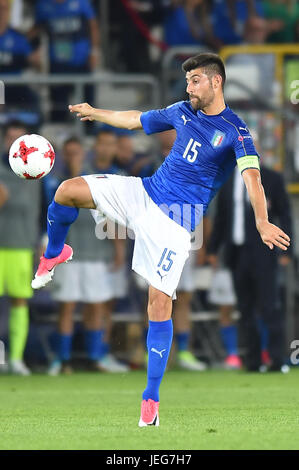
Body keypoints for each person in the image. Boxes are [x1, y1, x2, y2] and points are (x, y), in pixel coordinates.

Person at [31, 53, 290, 426]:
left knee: (158, 304)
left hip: (175, 224)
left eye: (196, 80)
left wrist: (263, 222)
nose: (189, 88)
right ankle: (55, 253)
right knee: (68, 191)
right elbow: (136, 120)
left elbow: (253, 180)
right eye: (188, 81)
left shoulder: (237, 131)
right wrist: (96, 111)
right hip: (144, 192)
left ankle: (150, 398)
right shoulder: (181, 110)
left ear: (217, 82)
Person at [45, 136, 129, 374]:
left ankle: (96, 358)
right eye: (69, 153)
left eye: (77, 153)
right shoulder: (55, 182)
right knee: (67, 308)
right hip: (69, 253)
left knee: (96, 308)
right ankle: (62, 360)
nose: (74, 157)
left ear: (85, 153)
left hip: (97, 253)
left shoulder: (94, 179)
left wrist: (119, 249)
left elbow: (110, 216)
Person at [207, 164, 293, 372]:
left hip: (264, 252)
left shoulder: (271, 177)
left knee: (269, 306)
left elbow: (285, 215)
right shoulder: (226, 179)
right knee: (244, 308)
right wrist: (213, 249)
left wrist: (287, 250)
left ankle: (276, 358)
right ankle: (252, 359)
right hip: (237, 253)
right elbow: (222, 217)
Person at [0, 120, 41, 375]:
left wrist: (42, 244)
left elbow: (44, 212)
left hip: (23, 246)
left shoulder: (38, 174)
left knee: (20, 302)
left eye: (20, 140)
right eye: (11, 138)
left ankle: (15, 358)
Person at [29, 0, 100, 121]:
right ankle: (59, 131)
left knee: (87, 102)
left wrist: (94, 51)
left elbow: (92, 26)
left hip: (81, 60)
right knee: (58, 104)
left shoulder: (81, 3)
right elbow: (36, 29)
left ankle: (89, 131)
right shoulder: (43, 5)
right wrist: (29, 49)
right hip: (57, 62)